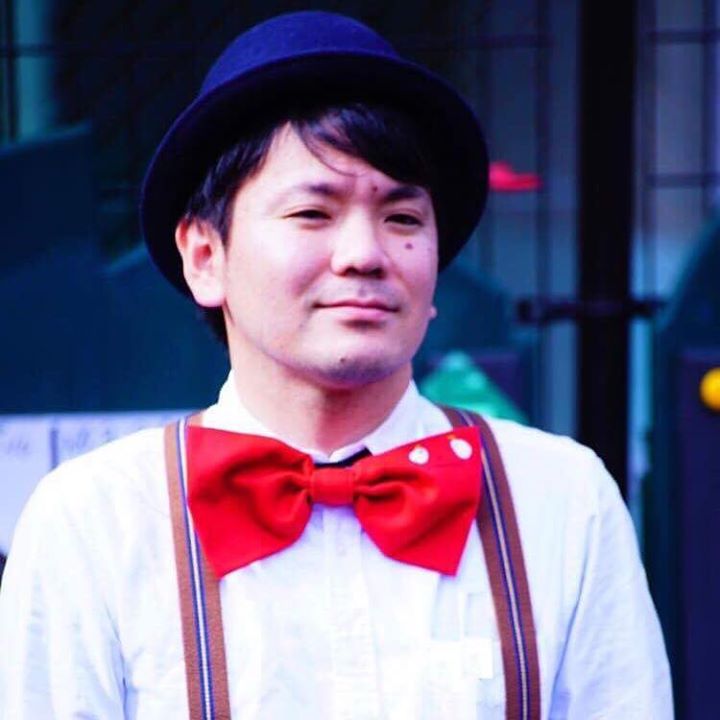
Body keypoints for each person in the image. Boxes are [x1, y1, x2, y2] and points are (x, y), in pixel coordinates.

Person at [0, 10, 672, 719]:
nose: (364, 254)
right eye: (312, 214)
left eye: (402, 218)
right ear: (205, 256)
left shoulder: (563, 502)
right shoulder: (94, 522)